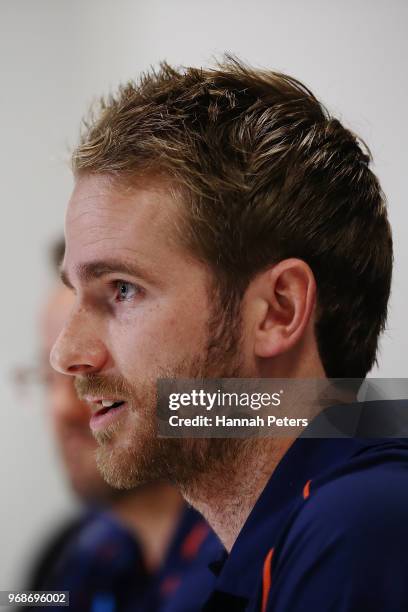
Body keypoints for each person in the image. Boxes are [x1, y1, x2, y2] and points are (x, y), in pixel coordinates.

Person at [49, 58, 408, 610]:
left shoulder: (360, 524)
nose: (66, 354)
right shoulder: (269, 546)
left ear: (277, 311)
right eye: (77, 293)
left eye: (122, 290)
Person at [23, 239, 222, 611]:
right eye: (48, 377)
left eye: (90, 372)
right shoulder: (69, 558)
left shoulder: (258, 555)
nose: (62, 408)